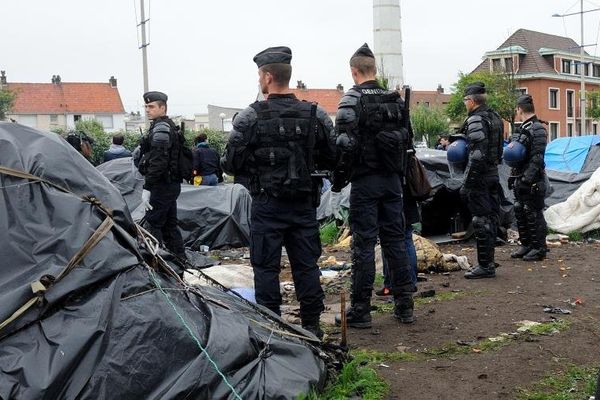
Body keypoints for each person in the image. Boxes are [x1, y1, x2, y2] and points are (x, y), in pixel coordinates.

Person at [221, 46, 336, 338]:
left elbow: (230, 162)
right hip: (303, 205)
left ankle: (271, 330)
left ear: (268, 76)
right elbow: (334, 156)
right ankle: (312, 327)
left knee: (265, 268)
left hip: (267, 205)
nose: (259, 80)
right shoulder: (315, 114)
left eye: (260, 75)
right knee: (306, 266)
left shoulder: (250, 117)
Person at [331, 43, 416, 328]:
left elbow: (343, 146)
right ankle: (405, 305)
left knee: (363, 246)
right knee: (395, 242)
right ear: (374, 70)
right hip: (393, 181)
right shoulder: (395, 100)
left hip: (365, 182)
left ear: (353, 71)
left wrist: (338, 179)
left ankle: (361, 309)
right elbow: (408, 142)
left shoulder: (351, 100)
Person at [458, 82, 504, 279]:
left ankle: (485, 266)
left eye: (465, 100)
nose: (465, 104)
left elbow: (476, 155)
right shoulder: (495, 117)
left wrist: (467, 182)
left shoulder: (476, 119)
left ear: (471, 101)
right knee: (491, 218)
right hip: (493, 173)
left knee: (481, 220)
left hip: (481, 177)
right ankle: (489, 261)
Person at [137, 91, 186, 261]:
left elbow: (158, 162)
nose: (147, 110)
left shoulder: (162, 129)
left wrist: (147, 187)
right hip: (169, 185)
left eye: (151, 106)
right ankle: (180, 261)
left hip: (162, 185)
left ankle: (155, 264)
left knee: (154, 224)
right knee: (169, 225)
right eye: (146, 106)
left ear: (162, 108)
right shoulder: (165, 126)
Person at [505, 94, 548, 261]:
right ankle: (527, 244)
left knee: (532, 212)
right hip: (520, 176)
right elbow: (516, 155)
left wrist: (526, 179)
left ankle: (539, 248)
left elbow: (537, 158)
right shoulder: (523, 127)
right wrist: (513, 176)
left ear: (519, 109)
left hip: (533, 180)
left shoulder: (537, 128)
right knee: (520, 210)